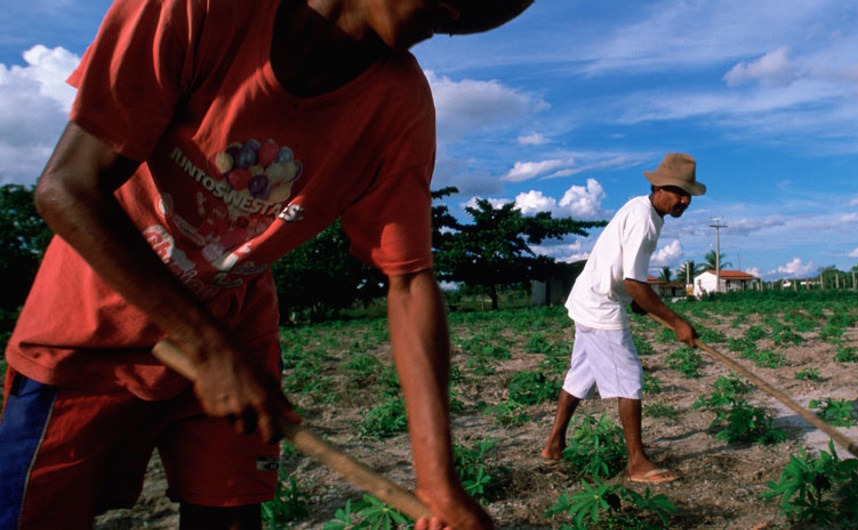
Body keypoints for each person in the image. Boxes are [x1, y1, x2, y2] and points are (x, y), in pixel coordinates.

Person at [0, 0, 533, 529]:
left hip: (238, 335)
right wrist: (209, 351)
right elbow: (66, 188)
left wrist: (437, 479)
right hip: (93, 330)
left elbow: (409, 279)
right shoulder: (198, 10)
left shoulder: (398, 103)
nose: (461, 16)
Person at [540, 152, 705, 485]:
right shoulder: (644, 219)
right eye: (677, 191)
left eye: (687, 194)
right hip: (600, 305)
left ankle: (553, 445)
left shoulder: (642, 210)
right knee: (630, 379)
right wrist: (677, 322)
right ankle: (637, 463)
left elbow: (626, 276)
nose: (684, 199)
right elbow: (633, 281)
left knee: (580, 376)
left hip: (592, 298)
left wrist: (636, 299)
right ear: (658, 187)